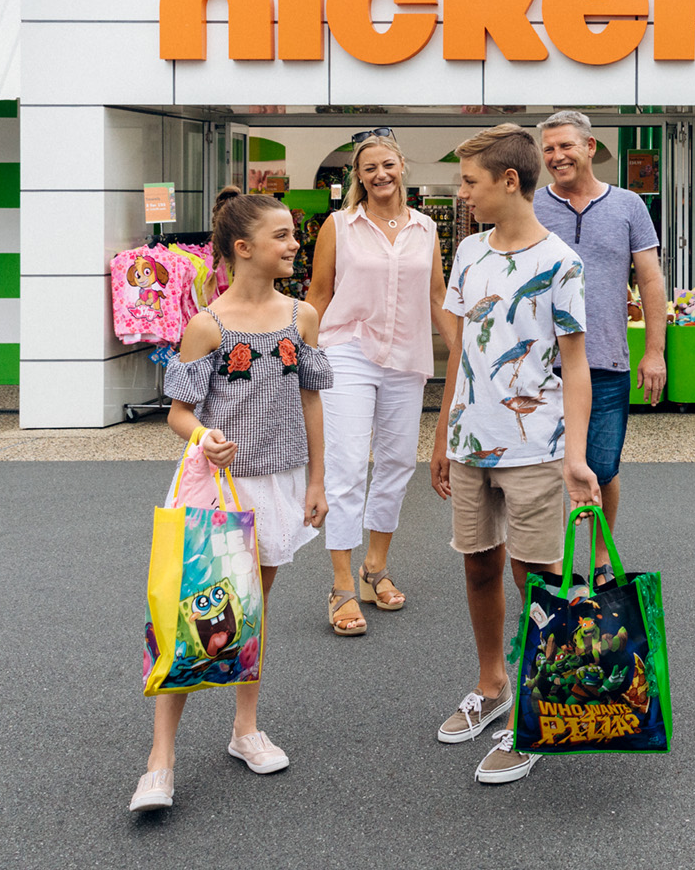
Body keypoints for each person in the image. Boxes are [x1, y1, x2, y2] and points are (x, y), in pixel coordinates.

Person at [132, 186, 334, 813]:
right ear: (243, 248)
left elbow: (311, 400)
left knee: (253, 609)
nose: (294, 244)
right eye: (283, 236)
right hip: (218, 487)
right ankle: (159, 759)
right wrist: (203, 437)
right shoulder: (206, 325)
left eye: (293, 235)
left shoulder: (302, 316)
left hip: (280, 481)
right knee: (195, 614)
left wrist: (318, 480)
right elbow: (178, 412)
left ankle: (246, 728)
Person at [428, 123, 600, 786]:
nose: (462, 193)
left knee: (539, 580)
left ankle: (541, 707)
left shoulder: (561, 261)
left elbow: (577, 366)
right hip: (470, 438)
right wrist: (441, 434)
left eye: (469, 181)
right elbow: (461, 351)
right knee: (477, 565)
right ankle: (492, 682)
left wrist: (576, 457)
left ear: (508, 180)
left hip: (534, 446)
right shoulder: (470, 252)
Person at [308, 130, 457, 635]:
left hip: (406, 354)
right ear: (358, 175)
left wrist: (464, 349)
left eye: (387, 165)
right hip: (347, 349)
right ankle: (341, 584)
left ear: (402, 167)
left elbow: (436, 294)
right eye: (369, 168)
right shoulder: (338, 226)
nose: (380, 175)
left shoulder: (425, 228)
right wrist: (298, 354)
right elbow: (319, 294)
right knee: (348, 465)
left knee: (396, 463)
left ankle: (375, 568)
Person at [533, 110, 666, 588]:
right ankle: (555, 558)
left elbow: (650, 280)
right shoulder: (531, 205)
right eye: (549, 149)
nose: (556, 156)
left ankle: (601, 555)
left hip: (607, 359)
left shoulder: (629, 205)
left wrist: (654, 351)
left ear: (590, 147)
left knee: (603, 467)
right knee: (544, 468)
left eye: (565, 146)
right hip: (541, 364)